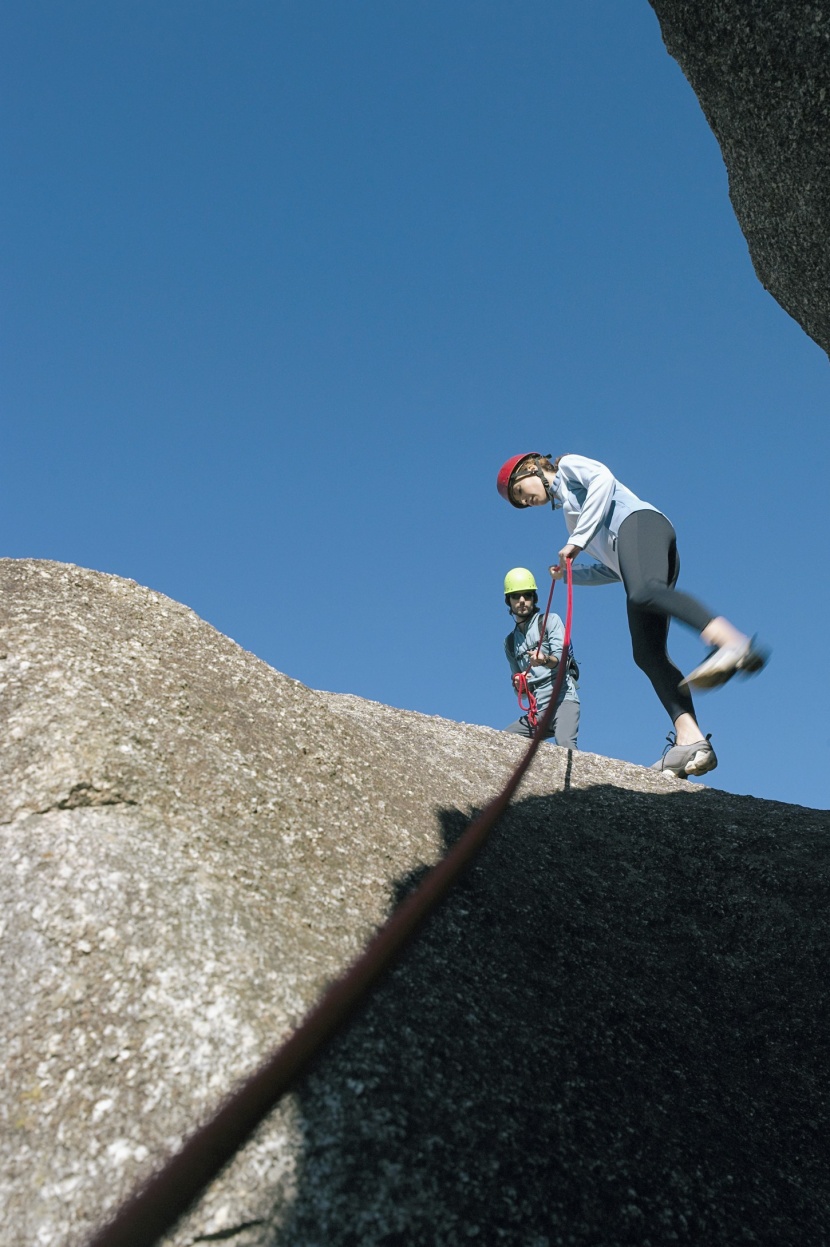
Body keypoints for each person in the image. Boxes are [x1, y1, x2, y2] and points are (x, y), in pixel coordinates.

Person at [496, 453, 768, 779]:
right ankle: (691, 740)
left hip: (643, 524)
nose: (526, 500)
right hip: (634, 563)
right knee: (646, 653)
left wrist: (577, 541)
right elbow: (612, 568)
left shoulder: (569, 468)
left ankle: (731, 642)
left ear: (533, 467)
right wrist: (569, 575)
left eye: (520, 490)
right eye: (520, 502)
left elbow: (603, 480)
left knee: (642, 591)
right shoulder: (572, 519)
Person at [502, 567, 580, 748]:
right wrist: (519, 685)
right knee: (503, 740)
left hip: (563, 701)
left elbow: (560, 660)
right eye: (516, 596)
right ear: (509, 601)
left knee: (566, 744)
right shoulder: (510, 642)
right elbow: (520, 691)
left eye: (527, 595)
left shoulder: (550, 621)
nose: (522, 601)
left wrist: (544, 659)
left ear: (534, 598)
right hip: (537, 713)